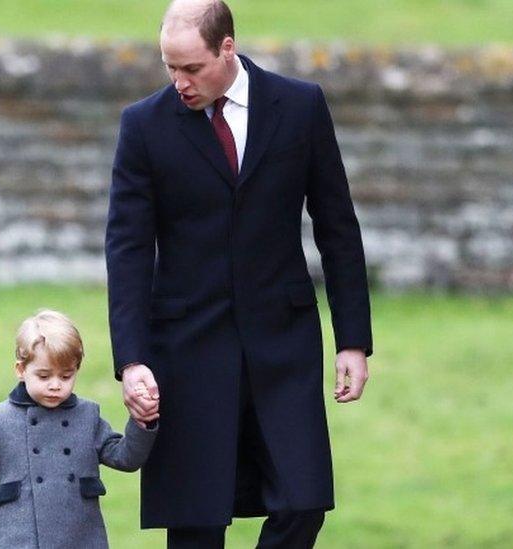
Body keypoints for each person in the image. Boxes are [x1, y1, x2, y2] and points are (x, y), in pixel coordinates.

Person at [105, 1, 373, 547]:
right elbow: (128, 250)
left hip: (284, 341)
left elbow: (337, 227)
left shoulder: (300, 106)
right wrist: (131, 360)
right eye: (169, 68)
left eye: (192, 68)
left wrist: (353, 341)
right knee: (196, 524)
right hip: (186, 348)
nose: (179, 82)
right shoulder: (143, 126)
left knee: (305, 502)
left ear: (227, 47)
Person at [0, 310, 157, 549]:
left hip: (82, 541)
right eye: (44, 376)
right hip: (20, 543)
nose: (55, 385)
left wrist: (141, 421)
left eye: (66, 376)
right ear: (21, 370)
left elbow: (126, 458)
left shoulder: (87, 415)